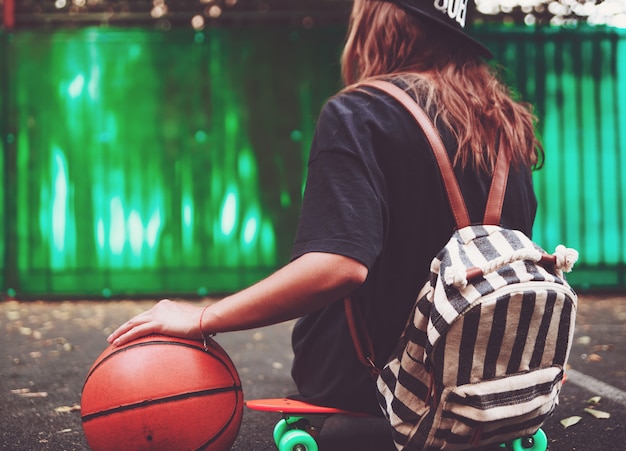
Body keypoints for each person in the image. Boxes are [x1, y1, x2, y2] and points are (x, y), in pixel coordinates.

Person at [108, 0, 542, 419]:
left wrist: (203, 316)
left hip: (372, 384)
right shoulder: (505, 125)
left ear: (378, 20)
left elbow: (337, 266)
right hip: (488, 381)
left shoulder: (361, 112)